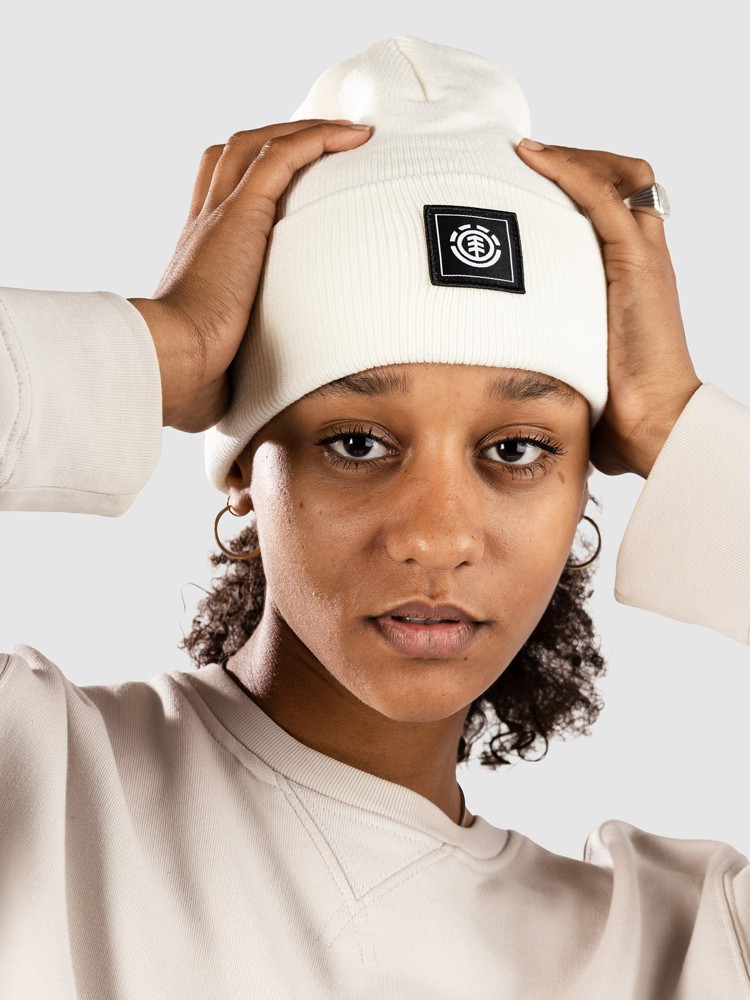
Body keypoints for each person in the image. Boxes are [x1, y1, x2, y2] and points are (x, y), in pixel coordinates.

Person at [1, 34, 748, 1000]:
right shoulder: (39, 789)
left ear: (584, 485)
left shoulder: (683, 952)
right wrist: (159, 349)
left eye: (515, 450)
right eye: (357, 442)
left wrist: (678, 426)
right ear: (246, 464)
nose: (437, 537)